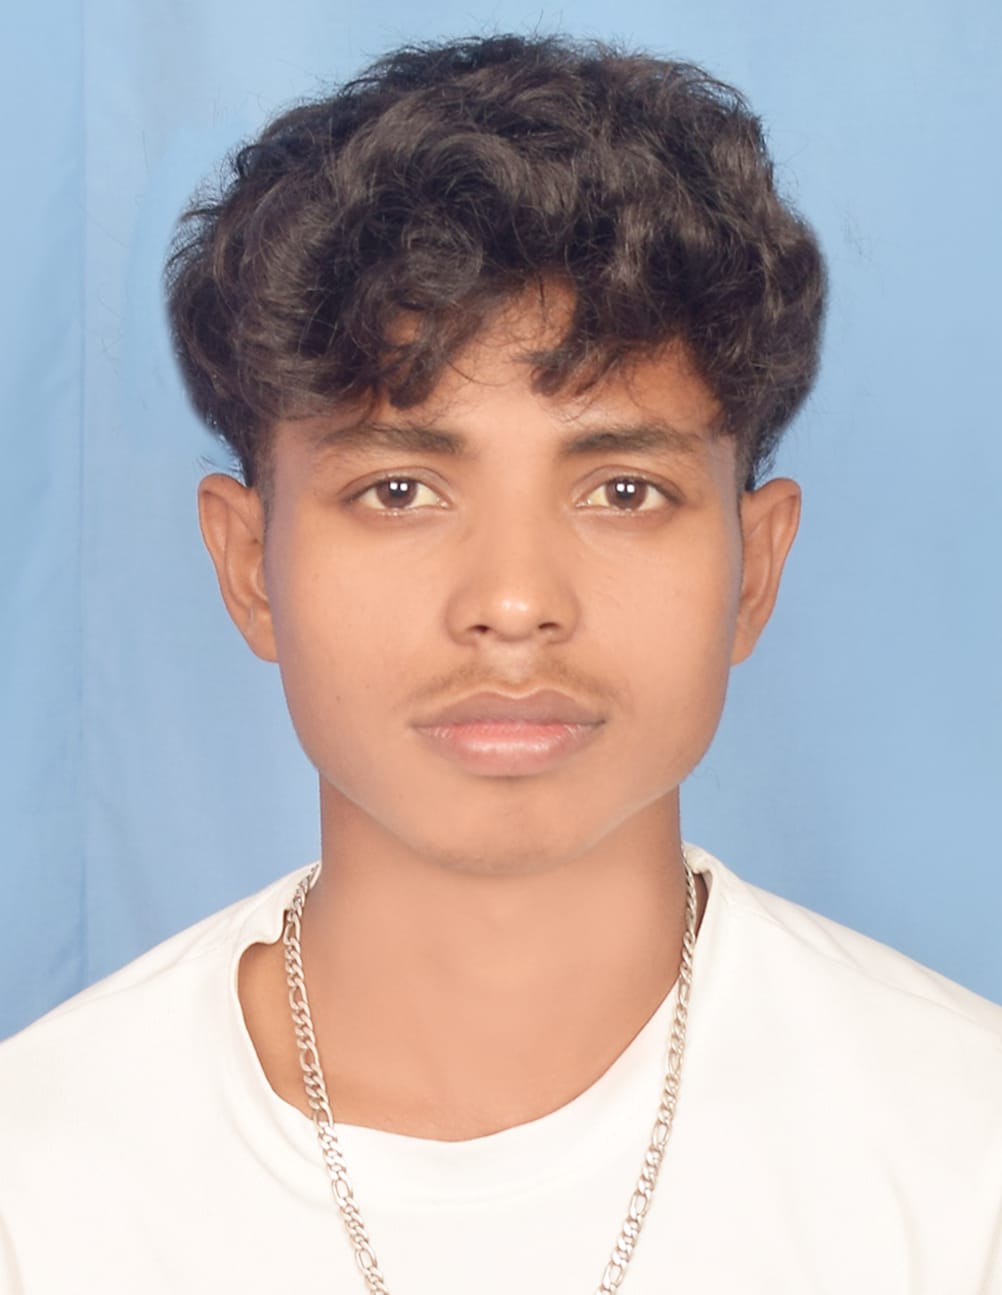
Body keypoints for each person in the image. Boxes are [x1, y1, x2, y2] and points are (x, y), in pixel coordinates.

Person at [1, 31, 999, 1295]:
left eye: (623, 489)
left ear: (754, 568)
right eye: (400, 489)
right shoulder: (39, 1182)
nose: (515, 603)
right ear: (251, 564)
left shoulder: (965, 1156)